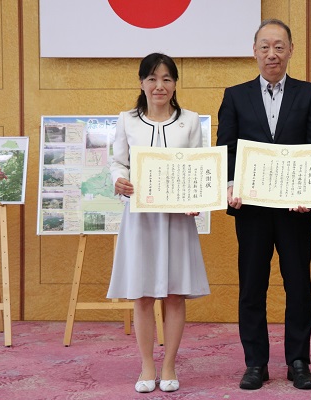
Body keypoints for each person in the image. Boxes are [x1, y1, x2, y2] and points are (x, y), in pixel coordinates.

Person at [216, 19, 311, 391]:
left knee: (299, 286)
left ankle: (298, 361)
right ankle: (256, 363)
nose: (271, 54)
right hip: (251, 211)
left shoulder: (310, 94)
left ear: (291, 50)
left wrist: (309, 197)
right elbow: (227, 150)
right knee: (252, 287)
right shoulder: (235, 95)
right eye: (264, 46)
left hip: (295, 212)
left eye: (279, 46)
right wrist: (231, 186)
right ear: (254, 51)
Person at [107, 53, 210, 394]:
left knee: (175, 294)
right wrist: (119, 181)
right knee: (143, 295)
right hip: (141, 220)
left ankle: (169, 365)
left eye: (166, 78)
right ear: (141, 83)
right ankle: (147, 365)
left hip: (177, 221)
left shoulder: (191, 122)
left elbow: (200, 169)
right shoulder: (127, 120)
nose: (159, 85)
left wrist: (198, 200)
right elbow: (117, 162)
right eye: (152, 78)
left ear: (175, 84)